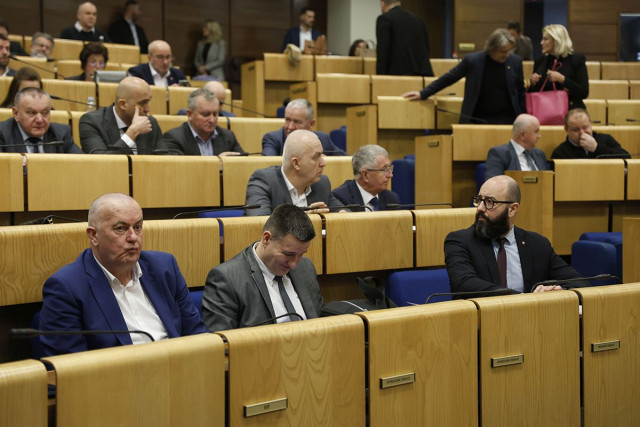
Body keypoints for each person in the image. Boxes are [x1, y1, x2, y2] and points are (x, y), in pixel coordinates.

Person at [39, 193, 207, 356]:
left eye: (138, 227)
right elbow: (72, 367)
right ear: (93, 235)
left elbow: (198, 336)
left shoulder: (164, 268)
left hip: (179, 368)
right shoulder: (66, 288)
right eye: (120, 228)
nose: (133, 237)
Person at [444, 175, 583, 294]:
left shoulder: (537, 244)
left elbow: (578, 282)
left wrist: (558, 290)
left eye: (489, 202)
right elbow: (464, 284)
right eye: (479, 200)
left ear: (512, 209)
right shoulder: (460, 241)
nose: (480, 208)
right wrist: (523, 299)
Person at [202, 203, 323, 331]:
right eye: (288, 254)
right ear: (266, 239)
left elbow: (321, 322)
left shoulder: (306, 268)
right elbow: (222, 340)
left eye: (301, 254)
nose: (294, 264)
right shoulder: (227, 279)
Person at [403, 28, 525, 125]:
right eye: (503, 51)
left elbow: (520, 93)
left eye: (509, 51)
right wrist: (423, 93)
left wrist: (523, 118)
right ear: (492, 48)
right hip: (477, 120)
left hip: (508, 121)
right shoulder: (473, 61)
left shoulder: (515, 62)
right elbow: (448, 78)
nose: (507, 55)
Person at [246, 129, 344, 216]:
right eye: (316, 157)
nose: (323, 163)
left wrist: (344, 214)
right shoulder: (263, 182)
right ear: (296, 163)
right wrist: (303, 219)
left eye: (322, 155)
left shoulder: (322, 183)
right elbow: (259, 224)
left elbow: (341, 210)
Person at [79, 76, 162, 154]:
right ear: (123, 104)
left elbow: (163, 158)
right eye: (143, 103)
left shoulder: (150, 123)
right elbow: (100, 162)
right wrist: (132, 133)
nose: (148, 109)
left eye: (148, 102)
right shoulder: (92, 122)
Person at [159, 88, 244, 156]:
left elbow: (243, 165)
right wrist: (218, 163)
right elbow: (178, 169)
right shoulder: (174, 138)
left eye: (215, 114)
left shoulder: (228, 137)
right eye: (205, 114)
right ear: (189, 114)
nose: (212, 120)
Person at [0, 87, 81, 153]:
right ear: (16, 113)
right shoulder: (2, 134)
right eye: (32, 113)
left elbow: (82, 164)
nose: (39, 120)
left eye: (45, 113)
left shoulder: (61, 134)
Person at [529, 24, 588, 110]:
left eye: (545, 39)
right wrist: (533, 84)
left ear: (557, 41)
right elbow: (534, 94)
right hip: (545, 110)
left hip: (571, 110)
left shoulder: (576, 60)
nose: (541, 43)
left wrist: (562, 79)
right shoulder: (540, 61)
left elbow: (584, 92)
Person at [262, 98, 346, 156]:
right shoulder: (273, 139)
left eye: (297, 122)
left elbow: (346, 160)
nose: (290, 127)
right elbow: (268, 165)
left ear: (311, 124)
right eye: (287, 120)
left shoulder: (323, 139)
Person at [332, 144, 399, 211]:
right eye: (384, 169)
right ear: (365, 175)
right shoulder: (341, 198)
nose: (390, 175)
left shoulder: (391, 199)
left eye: (390, 168)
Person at [376, 0, 433, 76]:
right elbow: (426, 47)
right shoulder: (417, 19)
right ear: (399, 3)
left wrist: (380, 77)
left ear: (383, 4)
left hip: (397, 75)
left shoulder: (384, 19)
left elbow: (383, 51)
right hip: (422, 74)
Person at [485, 114, 549, 180]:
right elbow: (493, 183)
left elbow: (548, 181)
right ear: (523, 135)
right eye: (536, 132)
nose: (539, 136)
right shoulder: (499, 154)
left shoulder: (539, 154)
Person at [551, 109, 630, 159]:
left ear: (591, 124)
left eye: (585, 127)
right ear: (566, 130)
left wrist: (597, 148)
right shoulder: (560, 153)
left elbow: (626, 158)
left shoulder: (606, 139)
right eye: (576, 130)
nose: (582, 133)